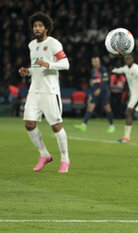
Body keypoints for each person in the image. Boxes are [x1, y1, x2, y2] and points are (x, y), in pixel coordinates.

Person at [18, 12, 70, 173]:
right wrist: (28, 71)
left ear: (46, 28)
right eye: (35, 26)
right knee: (29, 124)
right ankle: (44, 154)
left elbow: (65, 64)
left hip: (50, 90)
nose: (37, 28)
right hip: (34, 90)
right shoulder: (32, 45)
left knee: (56, 126)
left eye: (40, 26)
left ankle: (65, 159)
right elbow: (36, 67)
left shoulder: (54, 43)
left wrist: (49, 65)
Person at [74, 57, 115, 133]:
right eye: (93, 62)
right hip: (95, 93)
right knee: (90, 107)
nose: (94, 63)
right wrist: (92, 92)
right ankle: (84, 125)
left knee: (107, 108)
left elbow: (105, 81)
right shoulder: (92, 71)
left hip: (103, 92)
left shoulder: (103, 70)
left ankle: (111, 125)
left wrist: (99, 89)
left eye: (96, 62)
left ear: (99, 62)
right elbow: (94, 83)